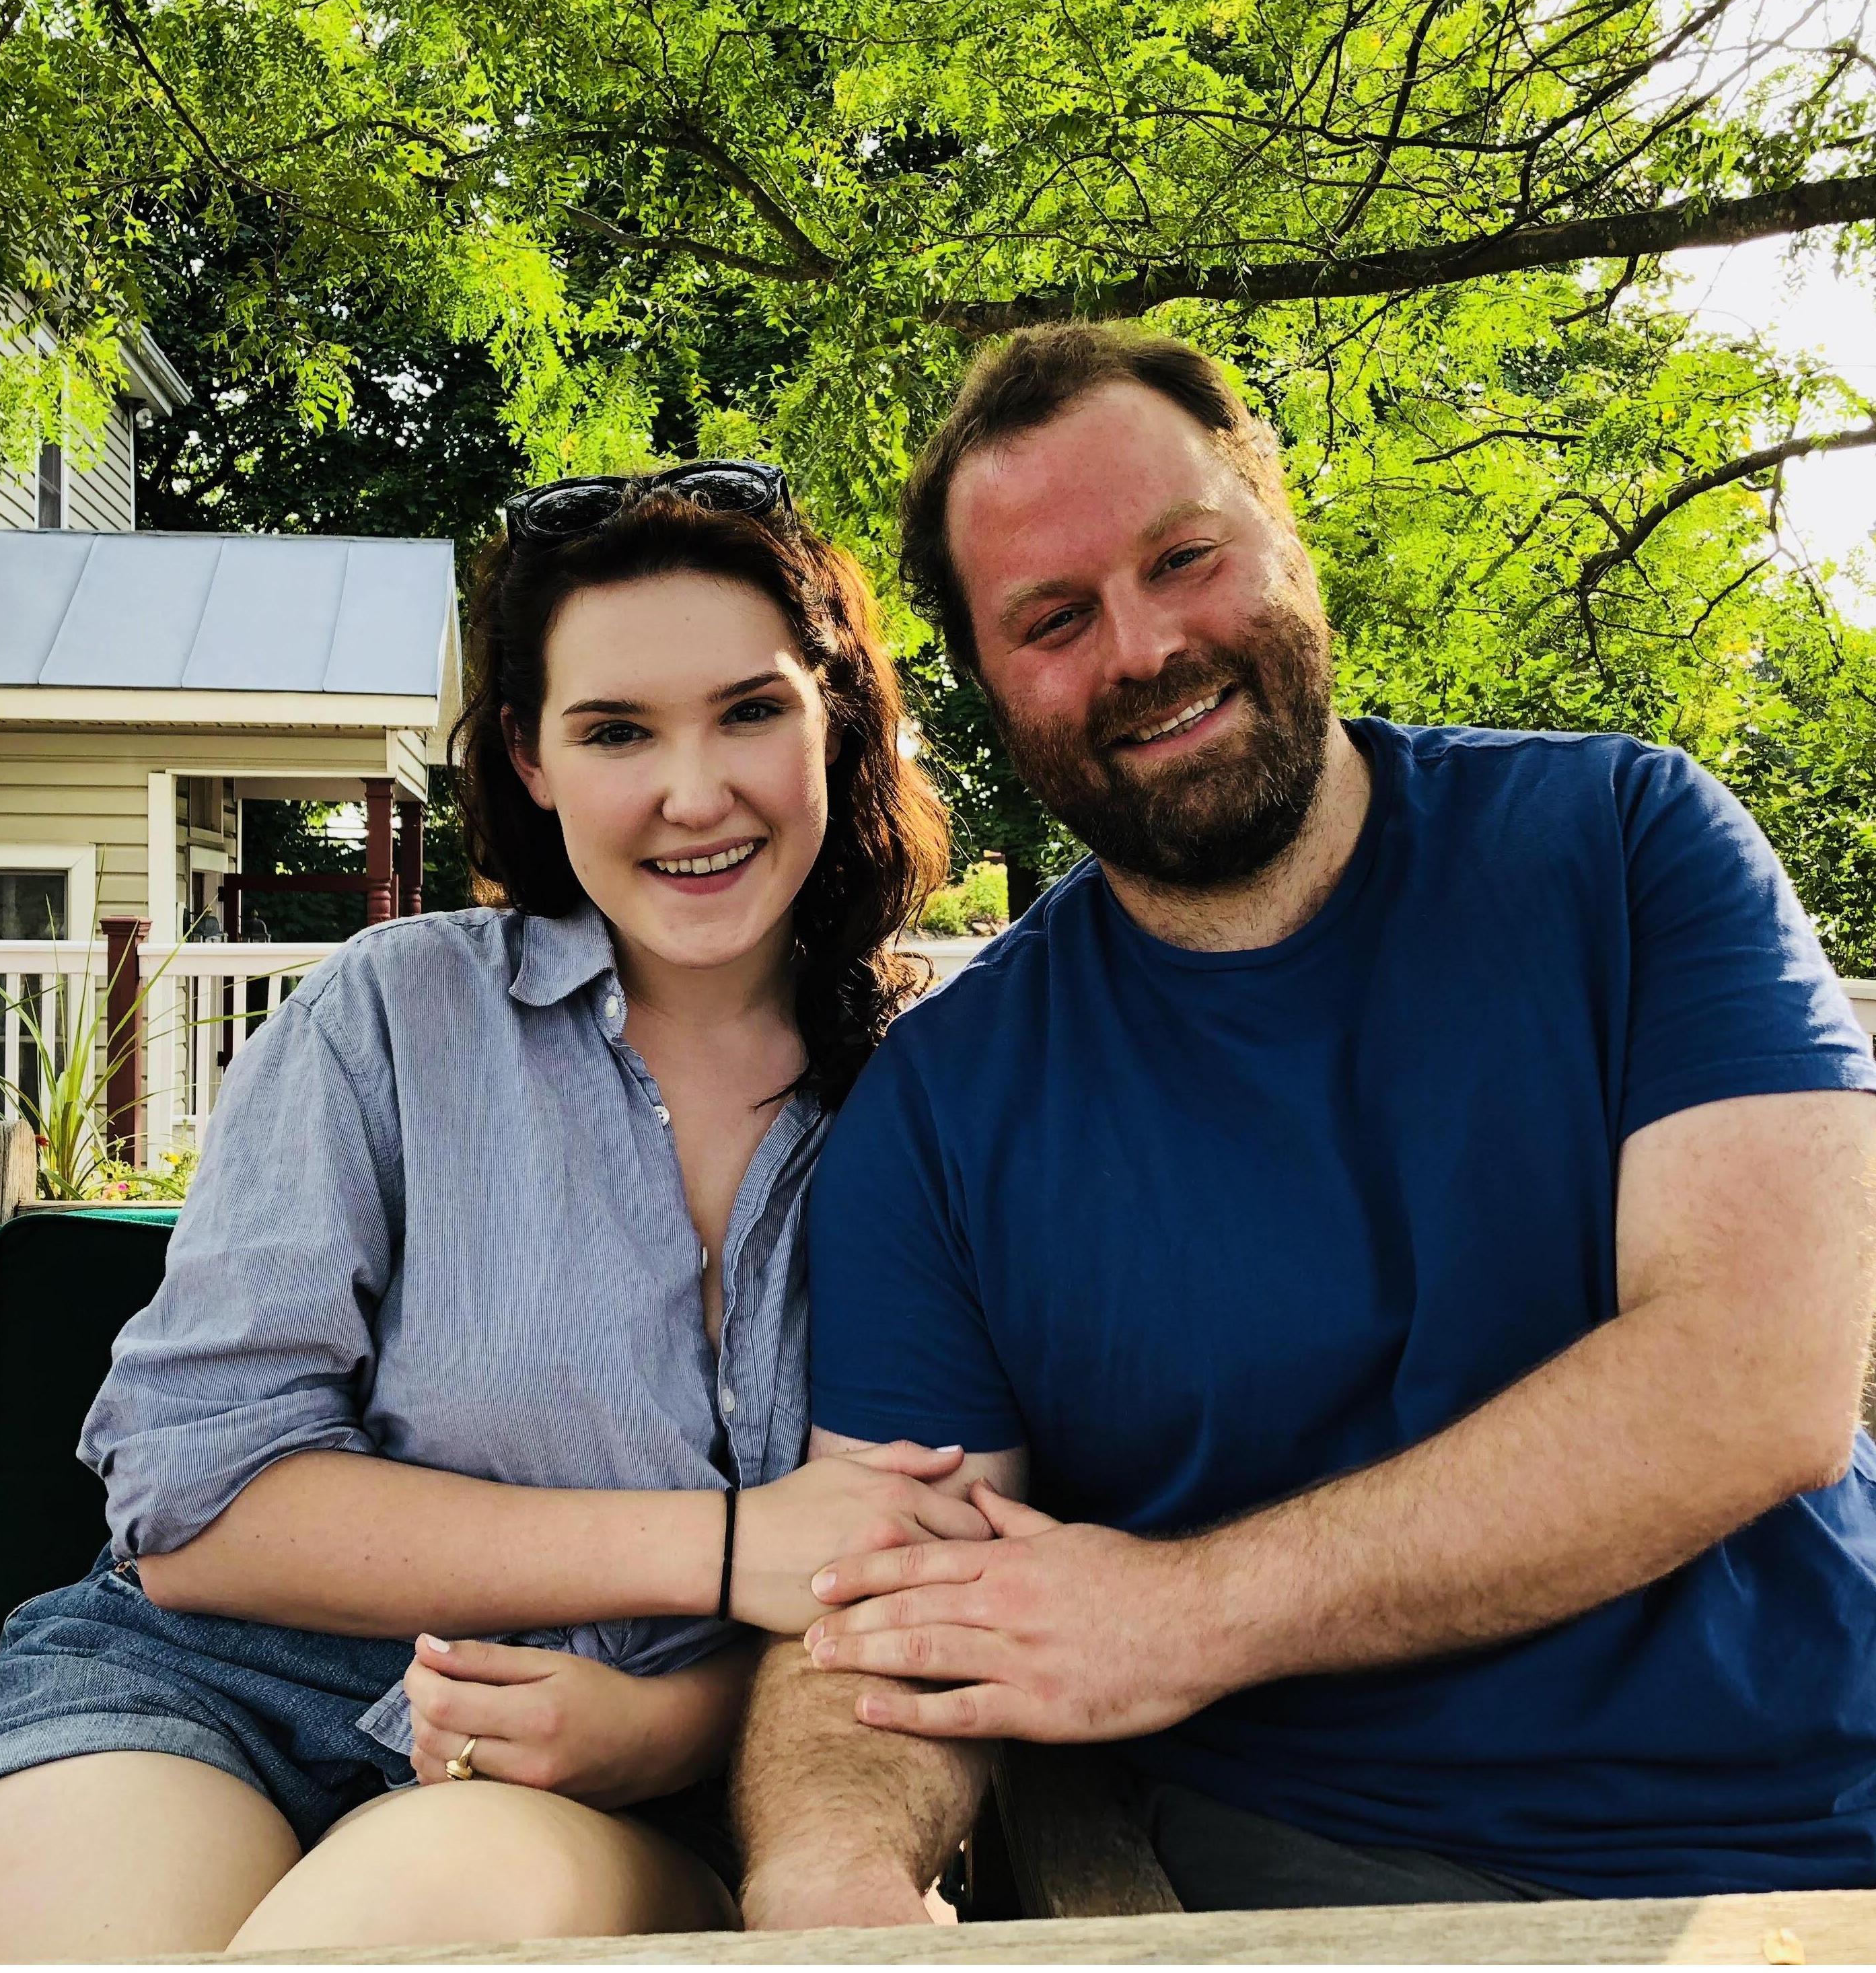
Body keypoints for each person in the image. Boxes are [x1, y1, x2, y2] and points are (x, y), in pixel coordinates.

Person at [732, 326, 1876, 1927]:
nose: (1139, 648)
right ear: (992, 693)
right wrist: (827, 1871)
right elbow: (883, 1602)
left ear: (1282, 527)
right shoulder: (941, 1110)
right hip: (1330, 1876)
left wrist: (1184, 1610)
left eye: (1183, 557)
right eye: (1052, 620)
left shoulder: (1624, 844)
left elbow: (1757, 1382)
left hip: (1830, 1806)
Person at [0, 462, 970, 1960]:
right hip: (195, 1689)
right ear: (529, 756)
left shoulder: (940, 1092)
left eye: (748, 710)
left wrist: (671, 1725)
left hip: (627, 1787)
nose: (691, 791)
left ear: (834, 716)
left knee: (402, 1922)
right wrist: (717, 1546)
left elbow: (934, 1562)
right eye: (615, 729)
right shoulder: (392, 1015)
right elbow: (197, 1509)